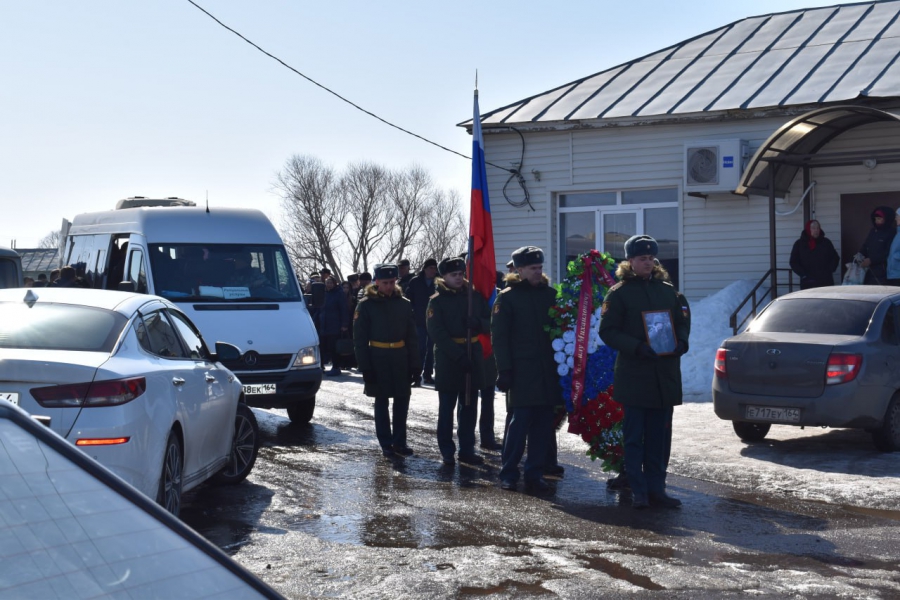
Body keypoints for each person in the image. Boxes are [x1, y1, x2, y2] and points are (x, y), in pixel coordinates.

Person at [598, 235, 690, 509]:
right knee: (634, 437)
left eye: (651, 258)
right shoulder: (619, 294)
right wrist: (636, 347)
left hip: (663, 376)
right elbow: (608, 331)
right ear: (630, 261)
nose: (648, 263)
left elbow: (682, 322)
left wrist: (681, 342)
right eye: (642, 259)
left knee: (659, 438)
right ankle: (638, 489)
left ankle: (657, 488)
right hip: (635, 375)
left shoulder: (668, 292)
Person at [491, 246, 562, 495]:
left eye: (540, 267)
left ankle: (535, 474)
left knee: (543, 426)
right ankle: (509, 473)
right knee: (519, 425)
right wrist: (504, 369)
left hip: (547, 371)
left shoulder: (551, 295)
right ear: (519, 270)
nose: (537, 272)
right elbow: (500, 338)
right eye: (532, 268)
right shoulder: (507, 298)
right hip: (521, 371)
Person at [426, 257, 491, 466]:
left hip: (473, 354)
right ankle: (447, 450)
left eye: (461, 274)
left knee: (469, 406)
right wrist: (458, 356)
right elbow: (437, 333)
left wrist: (478, 323)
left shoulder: (474, 297)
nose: (458, 278)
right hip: (449, 359)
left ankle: (467, 449)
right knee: (447, 407)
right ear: (443, 277)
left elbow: (491, 321)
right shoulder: (436, 301)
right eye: (453, 275)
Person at [353, 263, 421, 459]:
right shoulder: (366, 305)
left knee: (402, 400)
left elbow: (412, 337)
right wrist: (365, 367)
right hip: (378, 358)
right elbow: (359, 340)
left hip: (400, 357)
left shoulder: (404, 304)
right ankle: (386, 443)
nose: (389, 286)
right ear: (377, 282)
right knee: (381, 401)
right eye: (385, 283)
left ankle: (400, 441)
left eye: (392, 282)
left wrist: (415, 365)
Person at [406, 258, 438, 385]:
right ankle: (416, 375)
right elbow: (408, 299)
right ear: (425, 269)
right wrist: (412, 313)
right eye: (430, 268)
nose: (433, 271)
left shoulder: (438, 282)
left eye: (435, 268)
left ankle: (428, 375)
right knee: (420, 349)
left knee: (431, 349)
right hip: (418, 320)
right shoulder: (415, 281)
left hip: (433, 321)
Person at [789, 220, 840, 290]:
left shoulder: (826, 243)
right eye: (813, 228)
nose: (816, 230)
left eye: (818, 228)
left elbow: (835, 258)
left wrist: (829, 270)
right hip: (808, 282)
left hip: (825, 282)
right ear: (808, 229)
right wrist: (803, 274)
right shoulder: (799, 244)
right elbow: (793, 262)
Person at [318, 276, 349, 376]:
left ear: (334, 283)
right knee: (322, 347)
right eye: (327, 282)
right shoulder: (323, 294)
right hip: (323, 325)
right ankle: (321, 366)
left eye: (330, 282)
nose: (329, 284)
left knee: (334, 348)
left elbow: (344, 309)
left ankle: (336, 367)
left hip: (334, 325)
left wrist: (344, 324)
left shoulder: (339, 294)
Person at [859, 206, 897, 285]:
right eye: (875, 219)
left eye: (879, 219)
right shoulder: (873, 231)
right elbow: (866, 245)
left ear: (886, 219)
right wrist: (859, 255)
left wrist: (872, 260)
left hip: (883, 271)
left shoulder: (892, 232)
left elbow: (889, 252)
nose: (876, 221)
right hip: (869, 270)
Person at [888, 210, 900, 286]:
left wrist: (895, 256)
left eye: (897, 216)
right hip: (894, 273)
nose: (895, 218)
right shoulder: (898, 232)